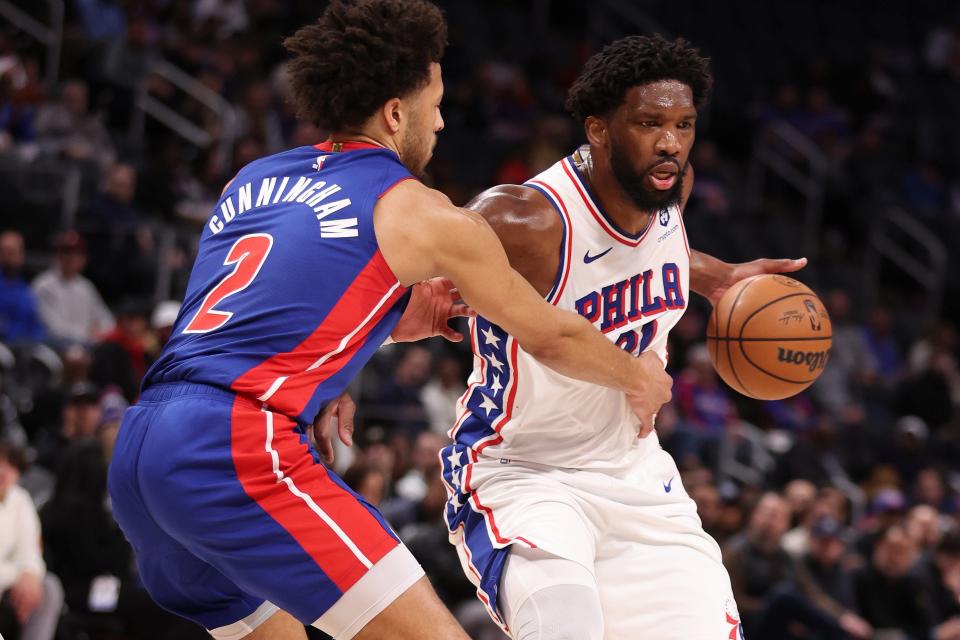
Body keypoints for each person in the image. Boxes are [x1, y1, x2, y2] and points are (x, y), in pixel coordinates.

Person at [107, 3, 672, 640]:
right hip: (235, 449)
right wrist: (638, 375)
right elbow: (548, 334)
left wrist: (347, 363)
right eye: (433, 102)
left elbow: (259, 312)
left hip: (143, 447)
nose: (439, 120)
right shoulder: (421, 212)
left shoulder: (254, 177)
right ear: (395, 113)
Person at [441, 35, 806, 639]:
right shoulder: (525, 220)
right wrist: (332, 381)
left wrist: (720, 280)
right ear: (599, 129)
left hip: (634, 476)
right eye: (649, 123)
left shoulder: (669, 192)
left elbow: (662, 257)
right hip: (522, 472)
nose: (671, 142)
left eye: (684, 125)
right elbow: (386, 287)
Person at [0, 440, 63, 640]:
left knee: (49, 587)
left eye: (10, 465)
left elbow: (31, 549)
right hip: (8, 579)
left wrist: (30, 574)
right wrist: (19, 575)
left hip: (9, 585)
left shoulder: (20, 499)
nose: (3, 471)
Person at [31, 230, 114, 345]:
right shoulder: (44, 285)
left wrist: (100, 332)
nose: (72, 257)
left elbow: (108, 321)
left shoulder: (85, 286)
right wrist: (87, 333)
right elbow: (55, 329)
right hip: (55, 345)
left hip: (87, 344)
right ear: (58, 255)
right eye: (67, 252)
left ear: (83, 258)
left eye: (77, 253)